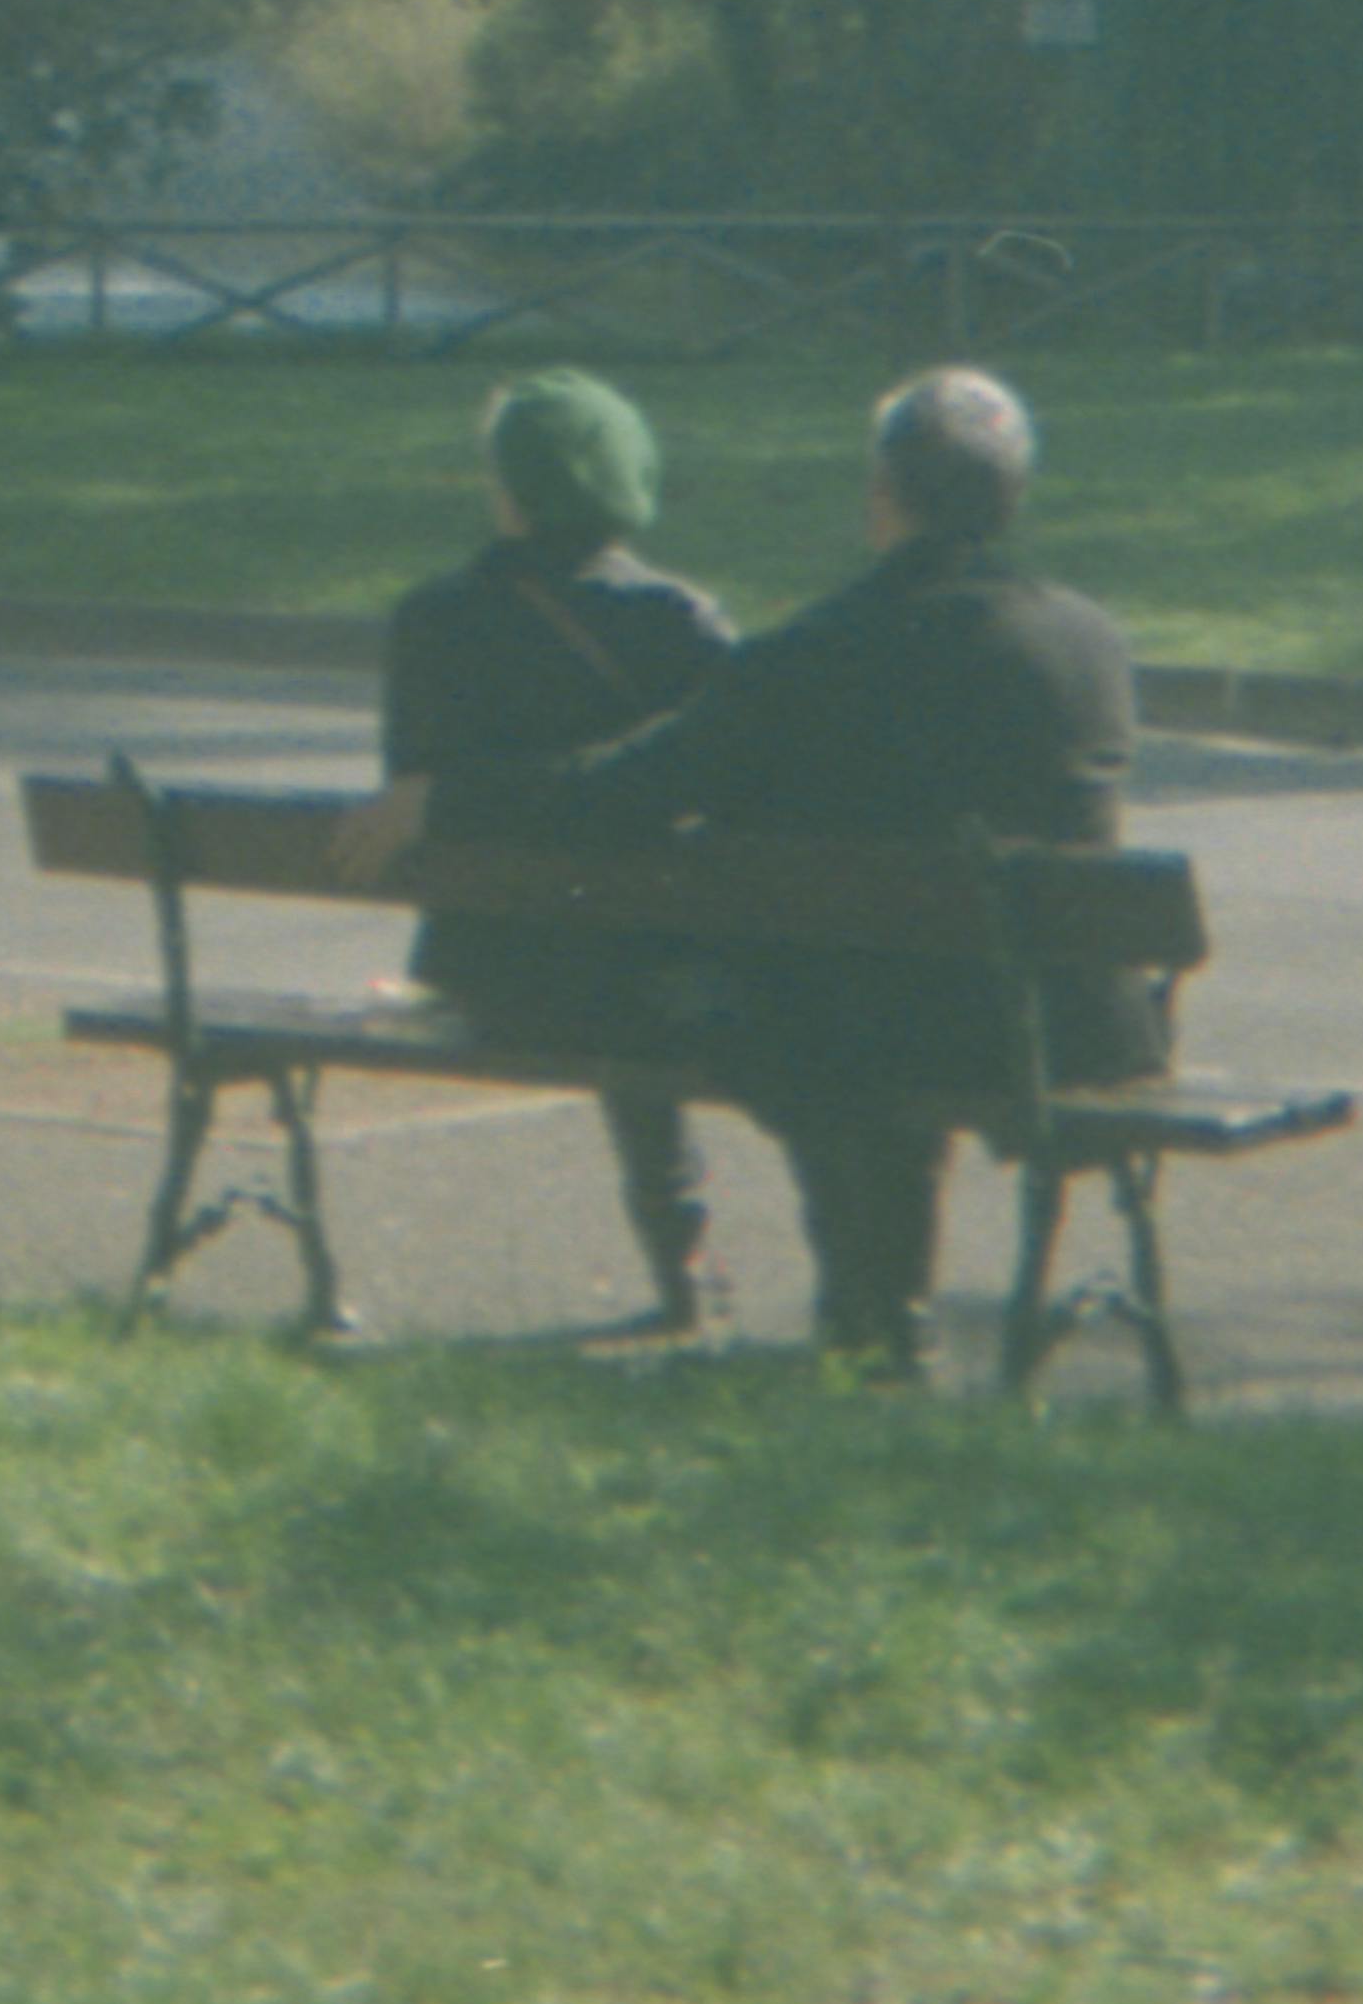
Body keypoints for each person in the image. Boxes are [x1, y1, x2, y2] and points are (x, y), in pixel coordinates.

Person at [354, 364, 1153, 1379]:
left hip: (885, 1031)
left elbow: (622, 792)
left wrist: (450, 799)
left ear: (881, 492)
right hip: (1072, 1025)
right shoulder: (1091, 642)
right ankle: (876, 1329)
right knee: (866, 988)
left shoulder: (816, 652)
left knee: (794, 1009)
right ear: (1012, 493)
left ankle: (869, 1325)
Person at [377, 366, 733, 1331]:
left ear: (509, 487)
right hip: (641, 980)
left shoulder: (429, 621)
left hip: (485, 971)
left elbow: (415, 796)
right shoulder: (680, 622)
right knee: (645, 949)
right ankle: (684, 1265)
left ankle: (680, 1273)